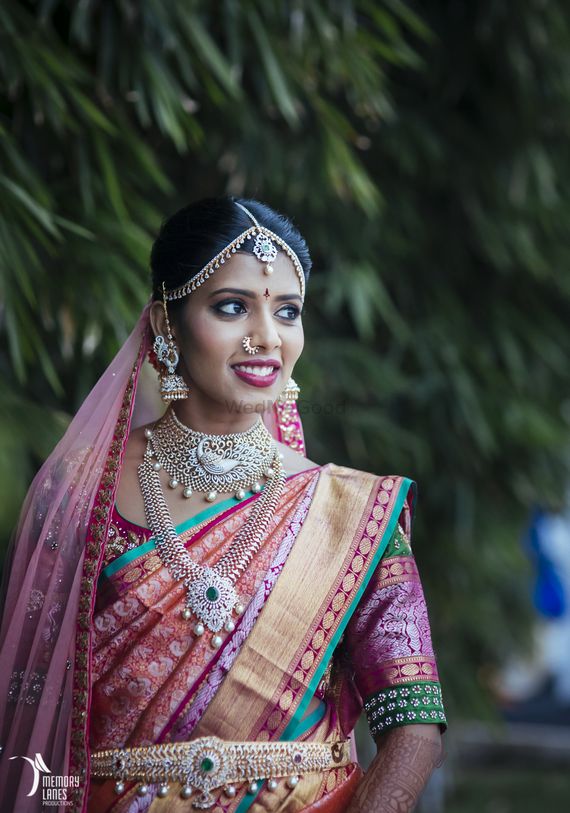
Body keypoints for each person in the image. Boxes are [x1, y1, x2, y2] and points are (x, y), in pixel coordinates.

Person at [0, 198, 446, 813]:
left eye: (287, 311)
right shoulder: (80, 491)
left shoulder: (352, 513)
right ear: (166, 324)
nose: (267, 337)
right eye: (233, 307)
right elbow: (32, 706)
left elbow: (413, 721)